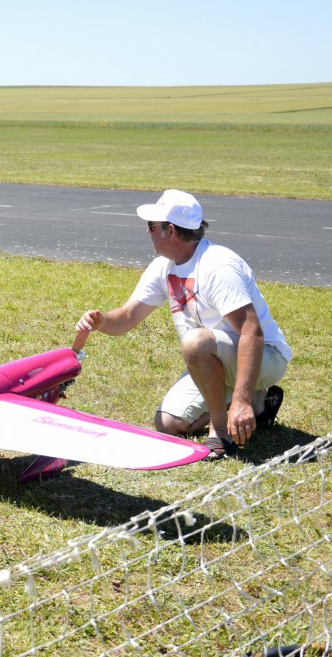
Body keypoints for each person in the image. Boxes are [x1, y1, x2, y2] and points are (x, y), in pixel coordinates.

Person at [75, 189, 291, 460]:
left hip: (265, 358)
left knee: (196, 342)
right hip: (216, 357)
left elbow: (252, 332)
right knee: (169, 422)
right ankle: (260, 406)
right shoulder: (163, 266)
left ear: (171, 231)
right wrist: (101, 321)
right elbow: (128, 317)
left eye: (151, 226)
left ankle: (221, 433)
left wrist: (241, 400)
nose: (148, 232)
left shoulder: (218, 265)